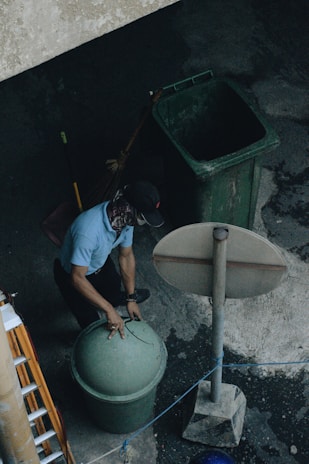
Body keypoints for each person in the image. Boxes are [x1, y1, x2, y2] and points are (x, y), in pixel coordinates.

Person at [54, 180, 164, 339]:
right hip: (74, 275)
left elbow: (126, 256)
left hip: (100, 263)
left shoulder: (124, 219)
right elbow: (77, 278)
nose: (141, 223)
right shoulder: (88, 231)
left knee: (113, 289)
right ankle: (85, 341)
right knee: (90, 322)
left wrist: (130, 298)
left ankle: (115, 299)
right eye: (141, 217)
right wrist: (109, 310)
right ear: (127, 208)